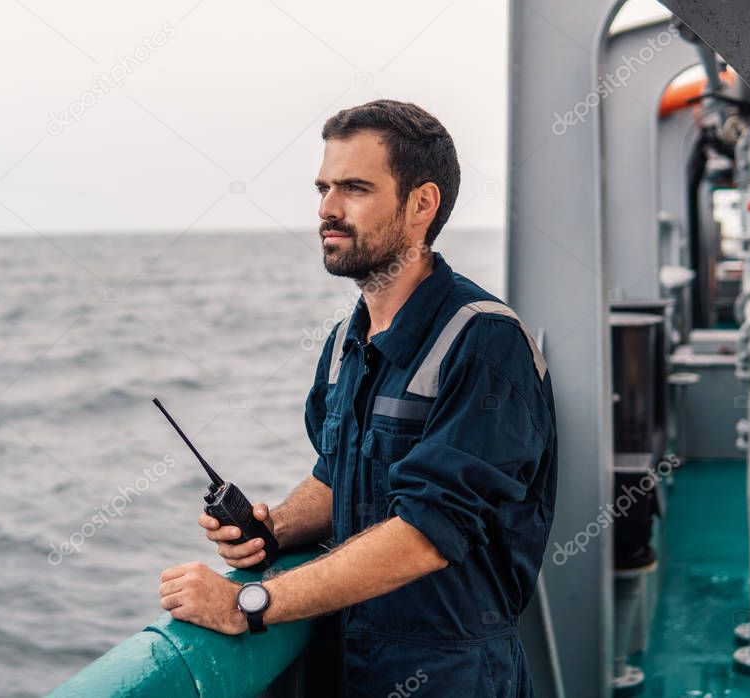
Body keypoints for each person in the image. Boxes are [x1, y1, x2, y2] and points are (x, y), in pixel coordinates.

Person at [158, 99, 558, 697]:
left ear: (422, 204)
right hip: (349, 664)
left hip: (454, 677)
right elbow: (335, 472)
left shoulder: (485, 344)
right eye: (323, 188)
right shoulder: (347, 340)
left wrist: (249, 602)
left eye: (354, 188)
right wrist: (277, 528)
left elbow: (428, 533)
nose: (327, 209)